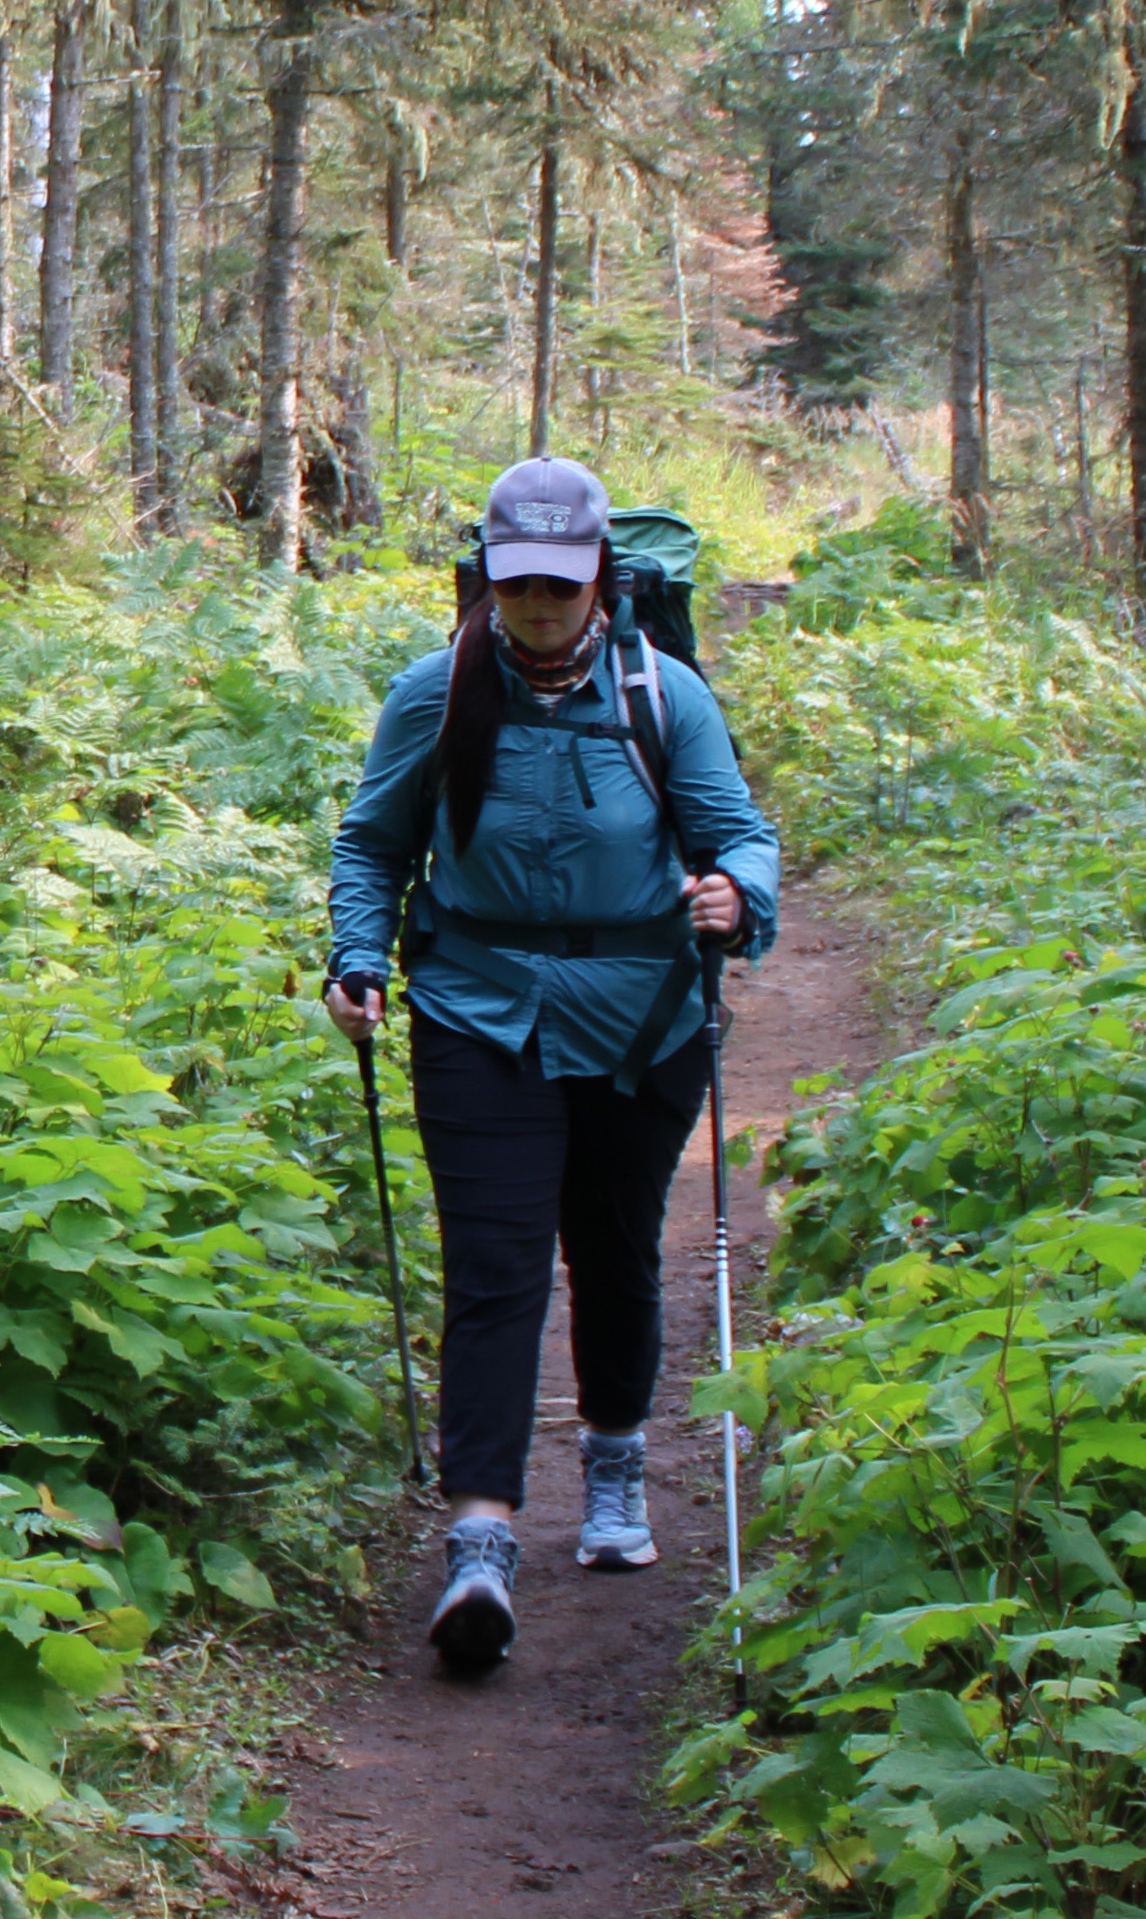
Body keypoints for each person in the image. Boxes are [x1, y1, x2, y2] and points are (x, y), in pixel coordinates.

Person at [321, 455, 779, 1675]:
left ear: (601, 582)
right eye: (515, 584)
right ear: (485, 577)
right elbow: (372, 841)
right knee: (495, 1265)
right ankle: (482, 1537)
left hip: (644, 1018)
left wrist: (742, 894)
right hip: (479, 1009)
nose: (536, 606)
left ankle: (616, 1468)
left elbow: (737, 830)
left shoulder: (663, 694)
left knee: (616, 1252)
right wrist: (356, 955)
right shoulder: (436, 695)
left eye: (559, 586)